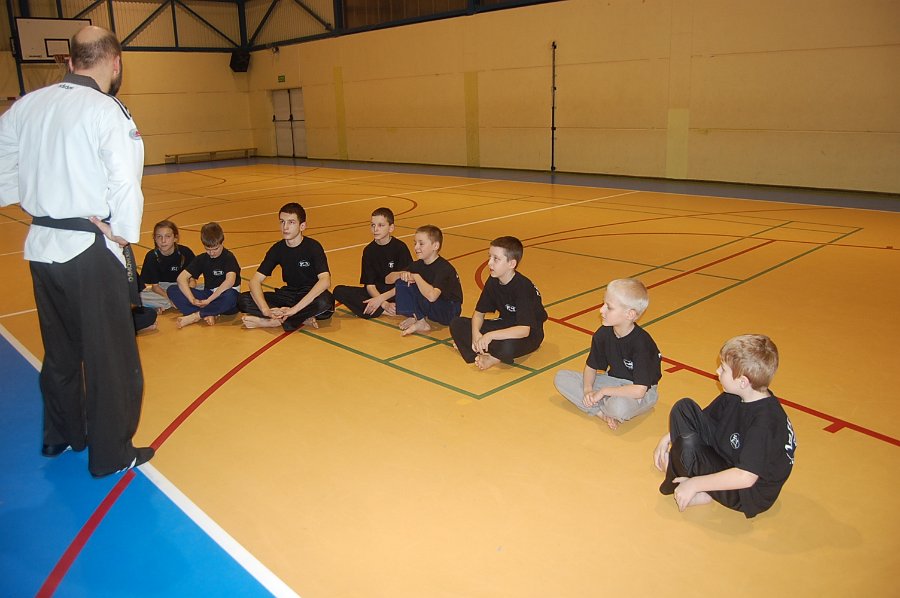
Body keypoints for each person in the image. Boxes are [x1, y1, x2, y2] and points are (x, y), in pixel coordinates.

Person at [0, 25, 153, 477]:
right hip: (88, 249)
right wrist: (122, 232)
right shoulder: (107, 111)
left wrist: (38, 199)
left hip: (42, 247)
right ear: (116, 63)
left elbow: (4, 170)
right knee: (110, 357)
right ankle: (112, 454)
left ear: (69, 61)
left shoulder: (27, 105)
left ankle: (61, 434)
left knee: (61, 350)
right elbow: (125, 179)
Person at [653, 334, 797, 518]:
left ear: (743, 381)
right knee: (684, 408)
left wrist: (695, 483)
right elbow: (704, 419)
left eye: (723, 369)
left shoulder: (765, 424)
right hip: (731, 455)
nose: (717, 371)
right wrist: (668, 437)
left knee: (688, 447)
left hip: (746, 492)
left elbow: (745, 477)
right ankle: (699, 482)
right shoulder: (739, 394)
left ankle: (690, 485)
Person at [554, 278, 661, 430]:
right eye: (603, 304)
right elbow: (591, 367)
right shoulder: (603, 334)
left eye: (609, 307)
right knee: (562, 377)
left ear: (630, 314)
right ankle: (601, 413)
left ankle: (607, 406)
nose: (601, 310)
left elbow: (639, 390)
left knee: (618, 408)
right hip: (612, 380)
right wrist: (588, 390)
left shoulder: (642, 343)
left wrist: (603, 392)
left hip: (640, 390)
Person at [449, 236, 547, 370]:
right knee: (457, 324)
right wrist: (476, 334)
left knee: (507, 347)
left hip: (530, 334)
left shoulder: (523, 287)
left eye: (496, 259)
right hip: (504, 324)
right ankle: (481, 350)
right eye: (489, 257)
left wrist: (489, 336)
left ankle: (492, 356)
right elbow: (478, 314)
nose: (489, 263)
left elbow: (524, 330)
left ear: (511, 264)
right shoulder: (493, 280)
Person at [239, 203, 334, 330]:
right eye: (282, 222)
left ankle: (274, 322)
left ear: (302, 226)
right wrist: (266, 310)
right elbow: (254, 281)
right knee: (243, 299)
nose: (285, 227)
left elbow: (325, 281)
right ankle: (298, 317)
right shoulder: (277, 249)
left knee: (325, 303)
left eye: (291, 222)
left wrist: (294, 309)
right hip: (288, 294)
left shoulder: (313, 247)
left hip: (310, 294)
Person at [333, 207, 412, 319]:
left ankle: (376, 309)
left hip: (395, 292)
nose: (375, 229)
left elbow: (407, 281)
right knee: (338, 291)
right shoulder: (369, 251)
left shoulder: (400, 248)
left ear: (391, 228)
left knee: (412, 293)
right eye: (373, 225)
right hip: (375, 293)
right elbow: (369, 285)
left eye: (381, 225)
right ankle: (384, 310)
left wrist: (381, 299)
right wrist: (384, 304)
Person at [167, 222, 241, 328]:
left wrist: (209, 301)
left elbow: (230, 281)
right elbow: (181, 278)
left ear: (222, 242)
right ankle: (210, 313)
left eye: (215, 249)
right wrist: (192, 299)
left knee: (231, 297)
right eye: (208, 249)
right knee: (172, 290)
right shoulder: (202, 259)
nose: (212, 253)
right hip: (208, 295)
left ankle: (197, 315)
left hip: (224, 295)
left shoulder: (229, 257)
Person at [394, 224, 463, 337]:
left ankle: (421, 321)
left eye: (421, 244)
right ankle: (416, 316)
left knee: (415, 285)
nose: (416, 247)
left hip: (448, 311)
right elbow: (389, 279)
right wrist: (402, 274)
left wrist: (416, 277)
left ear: (435, 246)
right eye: (415, 243)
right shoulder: (418, 264)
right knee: (402, 282)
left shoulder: (444, 268)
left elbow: (432, 296)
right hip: (434, 306)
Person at [139, 219, 195, 312]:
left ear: (175, 238)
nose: (163, 241)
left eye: (167, 236)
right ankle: (168, 304)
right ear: (154, 238)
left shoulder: (185, 252)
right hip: (162, 290)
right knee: (137, 297)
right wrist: (171, 299)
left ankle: (168, 304)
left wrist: (188, 294)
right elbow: (155, 287)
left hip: (183, 286)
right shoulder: (152, 256)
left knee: (207, 290)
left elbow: (192, 280)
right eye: (159, 237)